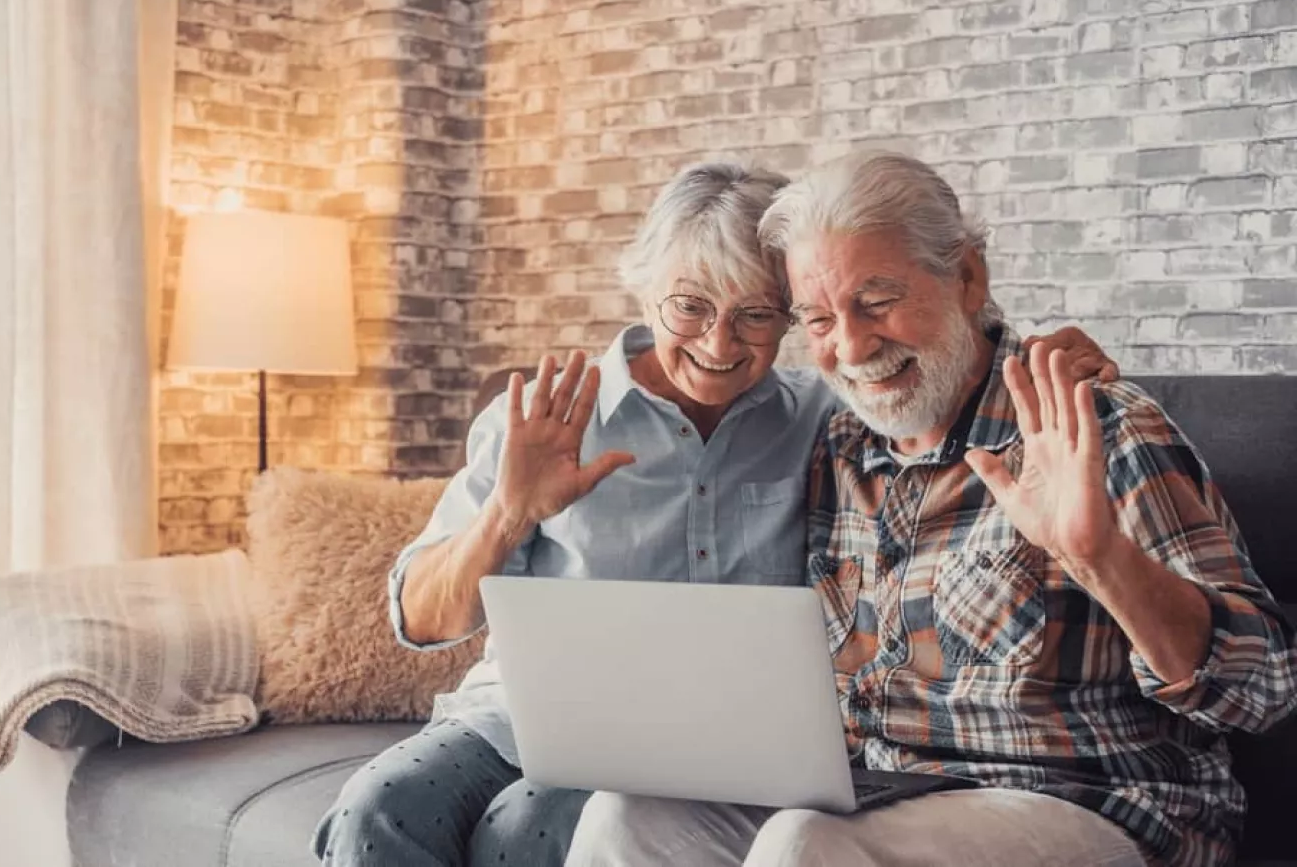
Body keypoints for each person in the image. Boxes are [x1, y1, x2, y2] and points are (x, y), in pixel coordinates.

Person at [311, 162, 1114, 867]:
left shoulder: (825, 418)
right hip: (519, 720)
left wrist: (1049, 358)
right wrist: (509, 514)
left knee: (528, 829)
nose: (720, 344)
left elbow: (936, 364)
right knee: (378, 807)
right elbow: (422, 621)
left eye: (757, 315)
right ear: (643, 290)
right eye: (689, 308)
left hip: (722, 745)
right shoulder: (547, 420)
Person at [565, 151, 1297, 867]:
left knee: (805, 846)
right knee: (629, 815)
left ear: (968, 277)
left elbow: (1263, 690)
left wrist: (1102, 561)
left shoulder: (1093, 426)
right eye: (817, 319)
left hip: (1095, 804)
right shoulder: (840, 445)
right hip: (884, 793)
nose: (851, 345)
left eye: (877, 303)